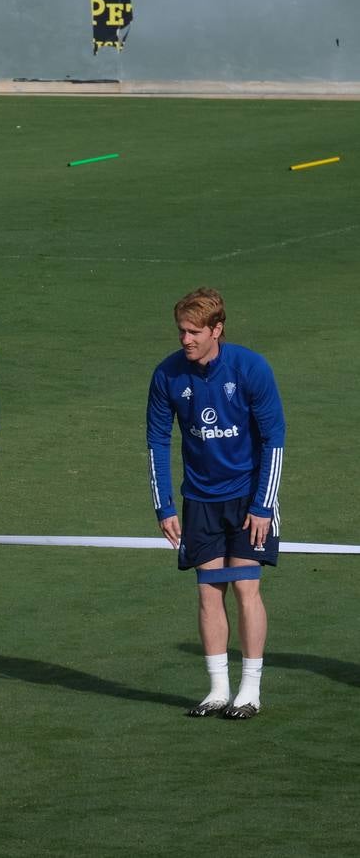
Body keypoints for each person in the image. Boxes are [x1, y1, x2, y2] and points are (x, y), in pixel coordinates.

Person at [146, 287, 284, 720]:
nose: (185, 339)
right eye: (181, 331)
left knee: (246, 588)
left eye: (193, 332)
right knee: (209, 592)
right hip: (200, 500)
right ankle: (218, 690)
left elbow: (274, 440)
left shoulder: (250, 368)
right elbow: (155, 441)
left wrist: (263, 506)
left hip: (247, 497)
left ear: (216, 330)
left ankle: (250, 690)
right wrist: (164, 506)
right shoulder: (167, 375)